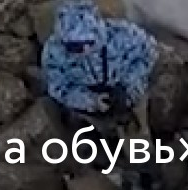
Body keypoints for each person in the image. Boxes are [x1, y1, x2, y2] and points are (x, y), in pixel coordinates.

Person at [41, 0, 157, 139]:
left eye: (89, 43)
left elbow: (148, 55)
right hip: (88, 101)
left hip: (128, 91)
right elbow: (59, 87)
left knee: (137, 136)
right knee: (89, 133)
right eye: (76, 47)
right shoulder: (54, 54)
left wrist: (129, 87)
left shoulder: (124, 35)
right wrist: (91, 101)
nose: (85, 50)